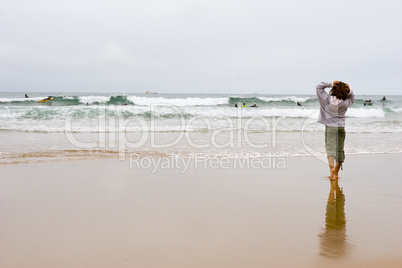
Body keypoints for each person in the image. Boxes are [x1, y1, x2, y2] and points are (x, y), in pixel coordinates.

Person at [316, 81, 354, 181]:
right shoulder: (345, 102)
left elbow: (319, 87)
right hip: (341, 127)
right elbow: (352, 97)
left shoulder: (326, 99)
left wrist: (330, 83)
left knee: (330, 149)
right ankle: (336, 173)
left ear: (334, 88)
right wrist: (348, 90)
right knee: (339, 150)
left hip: (330, 126)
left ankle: (331, 169)